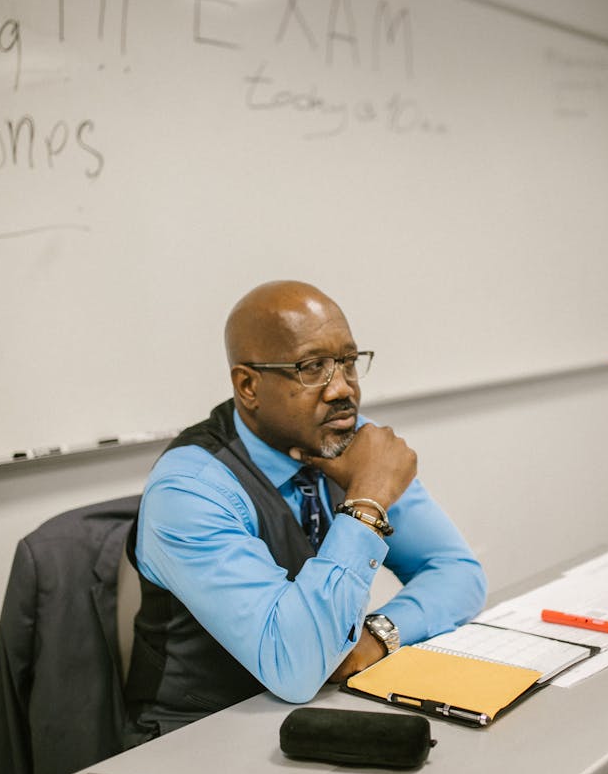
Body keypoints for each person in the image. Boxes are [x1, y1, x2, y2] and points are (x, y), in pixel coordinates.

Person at [123, 280, 487, 741]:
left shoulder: (348, 442)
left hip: (316, 717)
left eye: (349, 363)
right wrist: (367, 499)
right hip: (200, 739)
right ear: (248, 386)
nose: (342, 389)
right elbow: (294, 666)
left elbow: (457, 570)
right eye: (312, 367)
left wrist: (377, 636)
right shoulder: (189, 490)